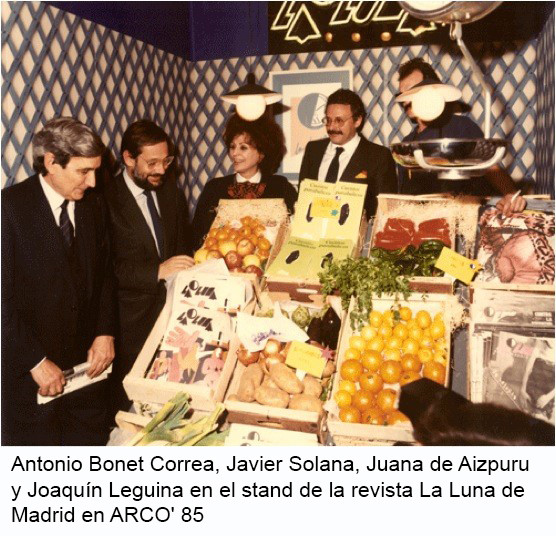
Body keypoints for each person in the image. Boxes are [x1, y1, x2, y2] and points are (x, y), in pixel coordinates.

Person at [1, 117, 116, 445]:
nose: (93, 182)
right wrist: (34, 360)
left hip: (88, 375)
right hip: (31, 380)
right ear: (51, 162)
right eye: (84, 171)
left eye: (95, 170)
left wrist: (105, 332)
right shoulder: (8, 210)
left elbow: (106, 273)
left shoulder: (93, 205)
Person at [103, 119, 194, 413]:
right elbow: (101, 271)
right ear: (129, 158)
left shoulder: (171, 194)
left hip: (173, 323)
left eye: (166, 160)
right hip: (129, 327)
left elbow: (183, 250)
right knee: (130, 411)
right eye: (151, 162)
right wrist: (155, 272)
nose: (161, 170)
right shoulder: (103, 200)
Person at [396, 58, 526, 216]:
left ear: (432, 89)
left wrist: (510, 194)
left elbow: (491, 168)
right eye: (402, 94)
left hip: (462, 218)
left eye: (412, 91)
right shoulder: (407, 142)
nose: (406, 100)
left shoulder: (460, 126)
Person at [191, 113, 297, 251]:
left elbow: (295, 233)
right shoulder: (214, 188)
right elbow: (197, 235)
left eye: (243, 147)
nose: (234, 153)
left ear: (261, 153)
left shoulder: (280, 186)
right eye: (232, 146)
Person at [298, 88, 397, 218]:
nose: (332, 127)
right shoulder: (313, 150)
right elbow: (303, 198)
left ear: (357, 121)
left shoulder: (378, 156)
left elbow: (385, 210)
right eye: (328, 120)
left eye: (339, 121)